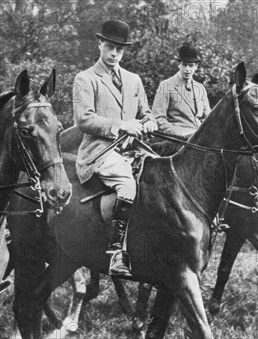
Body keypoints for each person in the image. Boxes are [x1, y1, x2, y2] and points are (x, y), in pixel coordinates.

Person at [73, 19, 157, 278]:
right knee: (128, 186)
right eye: (110, 47)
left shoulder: (134, 80)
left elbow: (146, 114)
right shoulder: (85, 79)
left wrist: (150, 122)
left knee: (161, 176)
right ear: (100, 44)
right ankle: (115, 253)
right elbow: (84, 120)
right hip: (99, 151)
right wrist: (122, 125)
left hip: (132, 150)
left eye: (119, 50)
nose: (114, 54)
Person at [151, 45, 211, 139]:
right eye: (184, 64)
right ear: (179, 64)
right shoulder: (166, 85)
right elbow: (158, 118)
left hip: (198, 141)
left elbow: (208, 119)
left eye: (191, 65)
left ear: (196, 66)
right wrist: (180, 134)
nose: (187, 69)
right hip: (177, 141)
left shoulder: (200, 88)